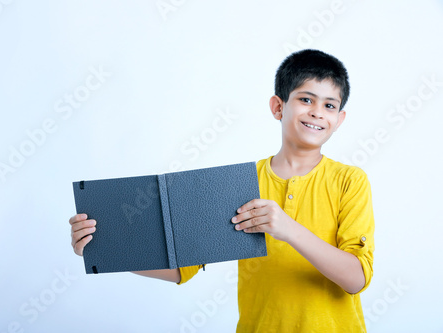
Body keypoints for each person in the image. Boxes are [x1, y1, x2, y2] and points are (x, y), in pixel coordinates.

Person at [69, 49, 375, 332]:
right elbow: (180, 268)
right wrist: (105, 248)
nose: (318, 112)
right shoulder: (242, 182)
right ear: (278, 106)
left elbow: (356, 278)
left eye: (329, 105)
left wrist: (288, 229)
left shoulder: (350, 181)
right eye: (306, 100)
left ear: (339, 120)